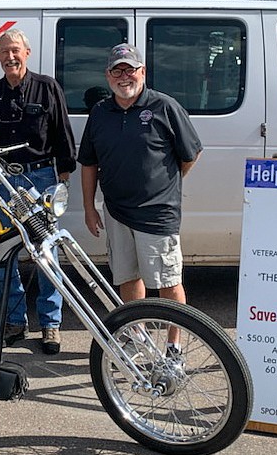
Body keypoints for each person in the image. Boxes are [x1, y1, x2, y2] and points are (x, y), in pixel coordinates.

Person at [78, 43, 203, 354]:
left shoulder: (165, 106)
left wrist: (164, 186)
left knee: (168, 283)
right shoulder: (100, 112)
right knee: (127, 278)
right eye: (117, 70)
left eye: (130, 69)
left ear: (142, 72)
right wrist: (89, 208)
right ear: (108, 75)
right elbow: (89, 163)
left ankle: (174, 347)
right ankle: (138, 340)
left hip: (157, 214)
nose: (124, 76)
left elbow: (190, 155)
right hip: (116, 212)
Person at [0, 28, 76, 355]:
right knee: (5, 253)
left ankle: (50, 323)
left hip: (42, 178)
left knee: (46, 250)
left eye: (15, 50)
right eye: (4, 52)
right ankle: (15, 321)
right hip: (3, 180)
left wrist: (63, 179)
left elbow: (63, 132)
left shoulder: (47, 87)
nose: (10, 56)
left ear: (27, 53)